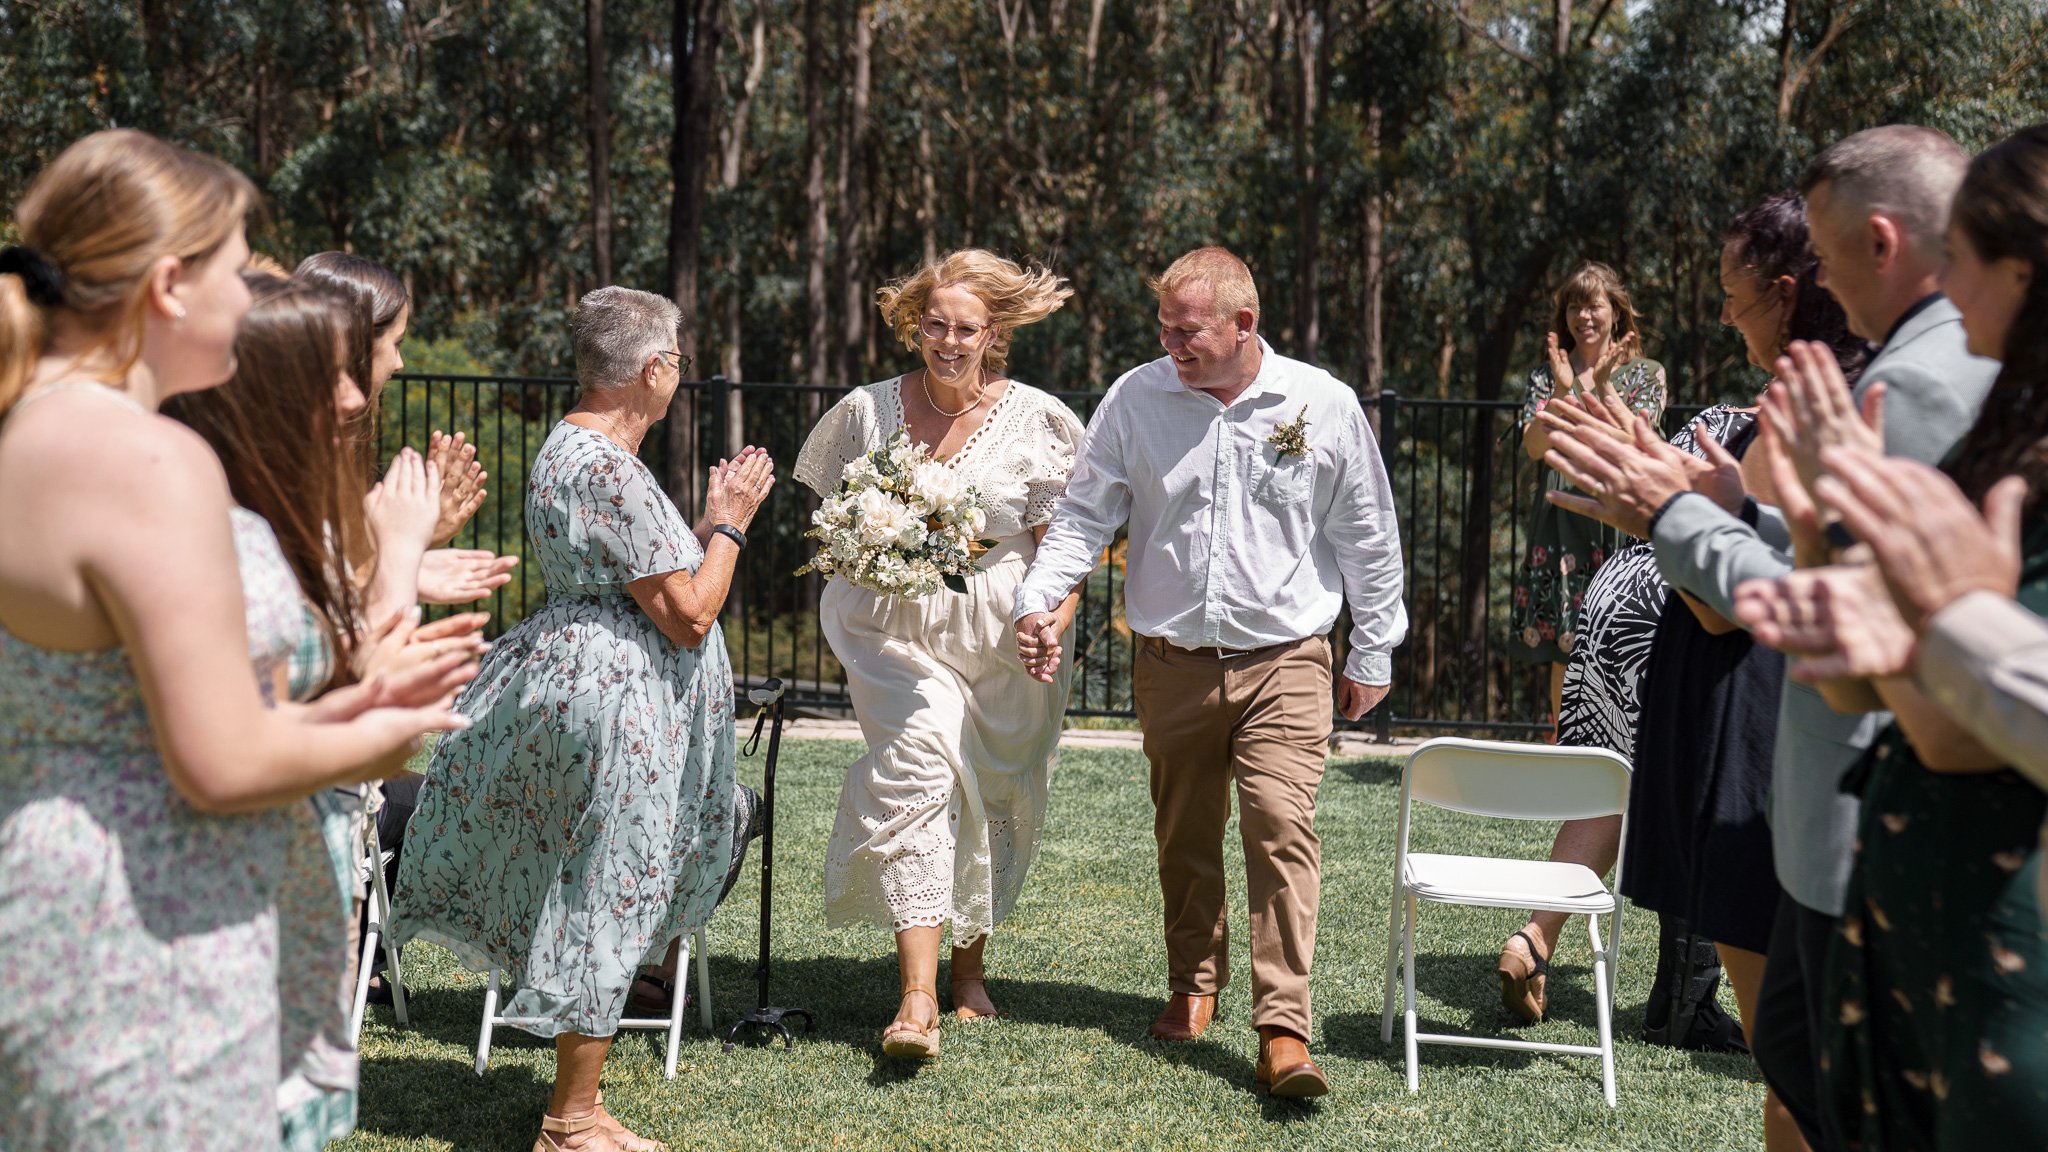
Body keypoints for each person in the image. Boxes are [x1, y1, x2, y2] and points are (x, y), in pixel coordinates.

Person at [0, 129, 470, 1150]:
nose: (255, 287)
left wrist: (338, 705)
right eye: (236, 262)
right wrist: (383, 733)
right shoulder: (147, 462)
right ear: (170, 284)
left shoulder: (26, 429)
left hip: (49, 909)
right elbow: (218, 761)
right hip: (152, 928)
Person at [1540, 125, 1996, 1152]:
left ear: (1880, 242)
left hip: (1862, 810)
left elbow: (1844, 617)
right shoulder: (1907, 364)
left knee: (1823, 1088)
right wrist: (1706, 514)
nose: (1816, 286)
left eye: (1825, 260)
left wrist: (1672, 516)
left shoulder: (1909, 384)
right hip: (1849, 792)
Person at [1013, 247, 1406, 1098]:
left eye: (1188, 332)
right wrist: (1039, 601)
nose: (1171, 345)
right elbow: (1085, 516)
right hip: (1171, 665)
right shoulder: (1136, 397)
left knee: (1280, 829)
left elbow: (1368, 535)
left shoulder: (1322, 404)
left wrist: (1373, 647)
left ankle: (1283, 1030)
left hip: (1288, 661)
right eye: (1164, 328)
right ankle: (1194, 984)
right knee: (1185, 837)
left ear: (1244, 325)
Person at [393, 286, 774, 1152]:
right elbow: (689, 612)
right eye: (676, 360)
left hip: (584, 681)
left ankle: (582, 1099)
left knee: (602, 875)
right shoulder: (607, 466)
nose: (679, 374)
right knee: (612, 877)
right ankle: (570, 1120)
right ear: (653, 369)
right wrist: (730, 526)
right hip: (617, 705)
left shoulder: (569, 448)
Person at [1735, 123, 2048, 1148]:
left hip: (1995, 945)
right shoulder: (1999, 407)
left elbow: (1960, 709)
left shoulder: (1916, 384)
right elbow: (1892, 664)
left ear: (2025, 270)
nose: (1946, 294)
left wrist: (1934, 620)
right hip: (1928, 901)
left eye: (1962, 262)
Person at [793, 249, 1083, 1059]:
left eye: (965, 329)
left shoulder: (1040, 418)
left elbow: (1068, 544)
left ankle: (967, 972)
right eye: (935, 326)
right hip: (888, 626)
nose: (948, 342)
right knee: (920, 769)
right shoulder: (864, 411)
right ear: (914, 324)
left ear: (993, 334)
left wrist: (1052, 620)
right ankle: (914, 1000)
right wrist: (866, 545)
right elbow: (826, 513)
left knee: (992, 792)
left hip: (1000, 627)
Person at [1508, 261, 1668, 723]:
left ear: (1616, 312)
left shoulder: (1645, 375)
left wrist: (1598, 390)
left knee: (1625, 645)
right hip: (1560, 523)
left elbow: (1639, 444)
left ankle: (1624, 763)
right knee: (1566, 645)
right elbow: (1536, 447)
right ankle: (1566, 760)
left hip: (1621, 521)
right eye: (1575, 306)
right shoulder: (1547, 376)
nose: (1585, 316)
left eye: (1594, 304)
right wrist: (1562, 392)